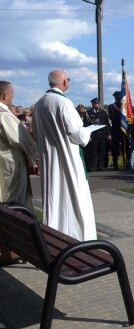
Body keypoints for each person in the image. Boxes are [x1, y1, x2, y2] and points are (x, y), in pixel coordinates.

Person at [33, 70, 97, 241]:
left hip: (49, 158)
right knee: (74, 196)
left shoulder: (39, 104)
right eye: (68, 79)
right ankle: (79, 237)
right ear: (63, 82)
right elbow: (76, 133)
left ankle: (55, 235)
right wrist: (87, 133)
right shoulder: (64, 103)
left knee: (55, 196)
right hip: (67, 158)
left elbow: (35, 131)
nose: (69, 81)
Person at [0, 81, 37, 210]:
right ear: (5, 96)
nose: (13, 97)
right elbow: (20, 140)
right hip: (10, 165)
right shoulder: (4, 115)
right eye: (12, 94)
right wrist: (36, 152)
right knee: (13, 200)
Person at [85, 97, 110, 172]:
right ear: (92, 104)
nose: (98, 104)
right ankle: (93, 167)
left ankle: (101, 166)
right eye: (96, 103)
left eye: (99, 103)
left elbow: (107, 124)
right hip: (94, 135)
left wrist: (109, 134)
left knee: (102, 152)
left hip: (102, 135)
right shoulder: (88, 113)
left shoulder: (103, 112)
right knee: (93, 152)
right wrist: (88, 135)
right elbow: (86, 124)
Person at [108, 91, 130, 170]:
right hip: (115, 129)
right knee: (115, 147)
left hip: (124, 129)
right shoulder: (111, 106)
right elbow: (111, 117)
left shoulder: (125, 106)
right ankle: (115, 164)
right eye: (116, 97)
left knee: (125, 146)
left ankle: (126, 162)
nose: (118, 98)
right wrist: (120, 114)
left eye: (119, 97)